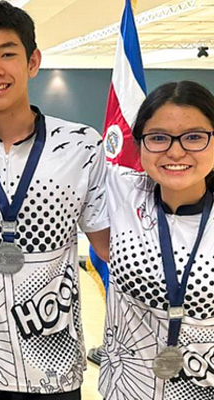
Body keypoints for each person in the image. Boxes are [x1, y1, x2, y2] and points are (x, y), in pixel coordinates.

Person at [0, 1, 110, 399]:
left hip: (53, 369)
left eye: (7, 54)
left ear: (33, 62)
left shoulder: (81, 145)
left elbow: (109, 246)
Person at [99, 81, 214, 399]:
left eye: (194, 137)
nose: (175, 151)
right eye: (159, 137)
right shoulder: (121, 189)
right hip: (123, 389)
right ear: (139, 144)